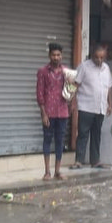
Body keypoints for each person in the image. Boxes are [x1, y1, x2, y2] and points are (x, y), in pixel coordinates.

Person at [72, 44, 112, 169]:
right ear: (92, 56)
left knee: (96, 134)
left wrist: (110, 104)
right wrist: (72, 101)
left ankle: (95, 161)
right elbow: (75, 84)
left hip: (100, 107)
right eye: (97, 57)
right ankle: (79, 161)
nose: (99, 60)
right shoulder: (84, 67)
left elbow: (109, 87)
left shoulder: (106, 68)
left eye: (102, 58)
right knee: (83, 134)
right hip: (86, 106)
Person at [36, 42, 71, 180]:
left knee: (60, 141)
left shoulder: (66, 72)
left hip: (62, 112)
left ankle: (57, 170)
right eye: (53, 55)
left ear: (61, 56)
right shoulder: (43, 72)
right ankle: (47, 171)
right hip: (49, 113)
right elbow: (39, 94)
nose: (56, 57)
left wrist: (74, 89)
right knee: (47, 140)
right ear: (49, 55)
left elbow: (71, 89)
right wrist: (43, 113)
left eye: (58, 55)